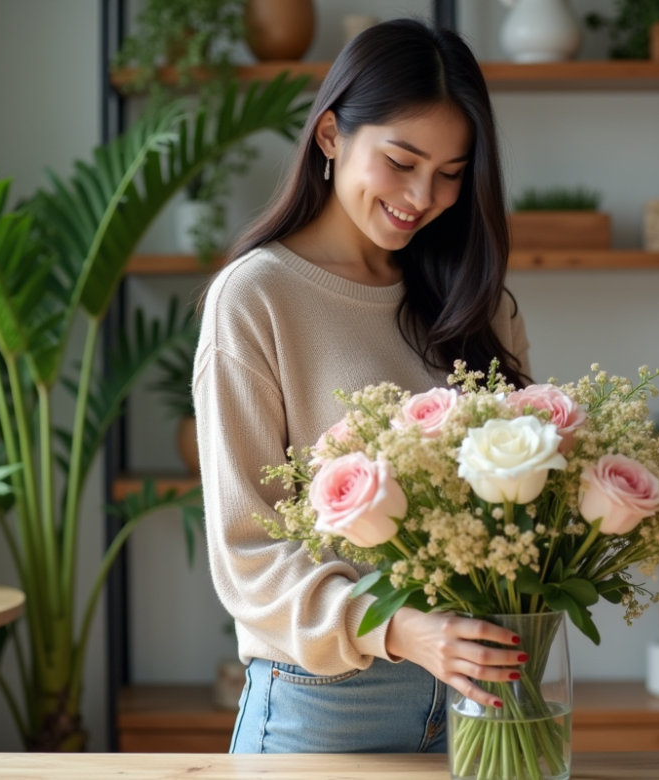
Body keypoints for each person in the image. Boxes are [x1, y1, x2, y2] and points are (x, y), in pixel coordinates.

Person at [194, 18, 531, 755]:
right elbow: (248, 552)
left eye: (451, 173)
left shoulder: (481, 307)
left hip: (483, 698)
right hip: (325, 705)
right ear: (329, 136)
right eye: (401, 161)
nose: (423, 195)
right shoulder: (257, 298)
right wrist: (400, 629)